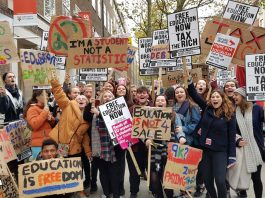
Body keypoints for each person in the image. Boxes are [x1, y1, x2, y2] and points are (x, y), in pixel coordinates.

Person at [187, 79, 236, 198]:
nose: (215, 99)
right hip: (205, 151)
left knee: (219, 181)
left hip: (220, 151)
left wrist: (231, 156)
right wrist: (189, 83)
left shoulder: (230, 114)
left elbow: (232, 136)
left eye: (217, 97)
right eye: (213, 97)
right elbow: (195, 96)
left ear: (222, 99)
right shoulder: (207, 108)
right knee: (208, 181)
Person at [48, 77, 92, 198]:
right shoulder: (67, 106)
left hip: (76, 148)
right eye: (79, 98)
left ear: (87, 103)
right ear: (74, 100)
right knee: (61, 169)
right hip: (62, 145)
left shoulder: (87, 119)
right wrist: (55, 82)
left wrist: (87, 151)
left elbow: (85, 137)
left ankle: (79, 190)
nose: (81, 98)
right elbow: (59, 94)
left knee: (76, 170)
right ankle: (64, 192)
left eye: (84, 98)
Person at [145, 95, 186, 198]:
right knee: (154, 178)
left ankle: (170, 196)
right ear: (155, 103)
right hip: (154, 149)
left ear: (166, 102)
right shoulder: (149, 115)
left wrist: (181, 137)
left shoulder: (173, 114)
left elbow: (179, 129)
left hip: (169, 149)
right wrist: (146, 140)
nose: (160, 102)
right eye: (158, 100)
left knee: (167, 177)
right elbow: (143, 130)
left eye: (162, 100)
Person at [228, 87, 264, 198]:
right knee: (242, 176)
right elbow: (232, 130)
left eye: (236, 95)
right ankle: (243, 195)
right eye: (233, 95)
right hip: (241, 149)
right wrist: (238, 139)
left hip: (256, 149)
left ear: (243, 96)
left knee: (256, 178)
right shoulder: (234, 111)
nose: (233, 97)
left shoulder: (257, 108)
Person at [90, 90, 124, 198]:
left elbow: (111, 121)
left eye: (110, 96)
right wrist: (90, 105)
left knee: (114, 174)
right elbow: (87, 117)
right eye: (105, 96)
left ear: (113, 99)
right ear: (101, 98)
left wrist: (99, 114)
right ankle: (106, 193)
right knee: (103, 173)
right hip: (100, 147)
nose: (107, 98)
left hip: (114, 148)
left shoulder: (118, 110)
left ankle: (116, 195)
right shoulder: (95, 110)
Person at [127, 86, 153, 198]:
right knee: (134, 171)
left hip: (150, 146)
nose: (141, 95)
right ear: (135, 95)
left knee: (152, 170)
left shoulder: (154, 108)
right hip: (134, 147)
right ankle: (133, 192)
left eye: (144, 93)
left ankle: (154, 189)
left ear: (148, 94)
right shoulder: (131, 109)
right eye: (139, 93)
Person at [23, 90, 55, 160]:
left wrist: (51, 119)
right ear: (37, 97)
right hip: (38, 145)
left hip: (48, 142)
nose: (47, 97)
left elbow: (50, 124)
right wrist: (44, 113)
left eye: (47, 95)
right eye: (44, 95)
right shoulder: (32, 109)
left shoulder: (45, 108)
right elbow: (34, 125)